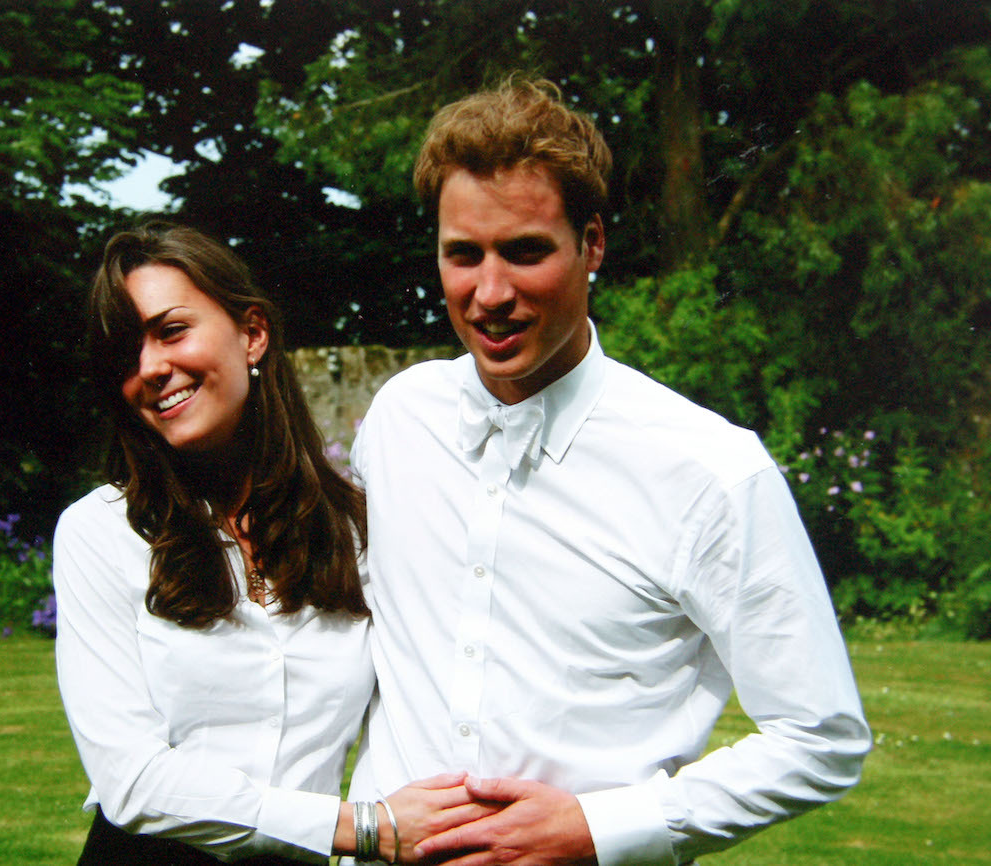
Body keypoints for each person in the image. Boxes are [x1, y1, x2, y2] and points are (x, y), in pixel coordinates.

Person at [346, 78, 872, 866]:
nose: (490, 293)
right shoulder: (399, 419)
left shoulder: (710, 471)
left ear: (592, 243)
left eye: (526, 251)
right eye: (464, 255)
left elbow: (821, 736)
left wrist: (600, 829)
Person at [53, 222, 490, 865]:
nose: (149, 368)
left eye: (171, 331)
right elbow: (132, 781)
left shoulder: (354, 531)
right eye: (125, 353)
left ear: (252, 333)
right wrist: (359, 828)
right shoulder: (101, 533)